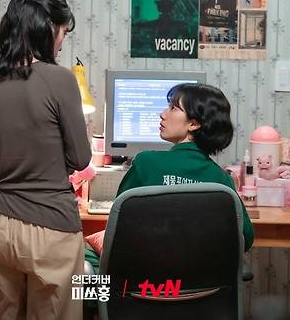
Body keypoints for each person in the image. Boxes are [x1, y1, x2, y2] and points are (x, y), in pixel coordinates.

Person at [0, 0, 91, 320]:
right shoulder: (59, 79)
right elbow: (81, 159)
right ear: (48, 28)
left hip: (1, 228)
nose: (62, 43)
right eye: (63, 32)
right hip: (53, 229)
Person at [84, 83, 255, 274]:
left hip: (146, 280)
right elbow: (246, 238)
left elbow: (118, 226)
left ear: (194, 124)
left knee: (82, 258)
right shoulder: (222, 180)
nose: (162, 114)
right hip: (201, 284)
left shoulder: (146, 163)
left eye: (173, 108)